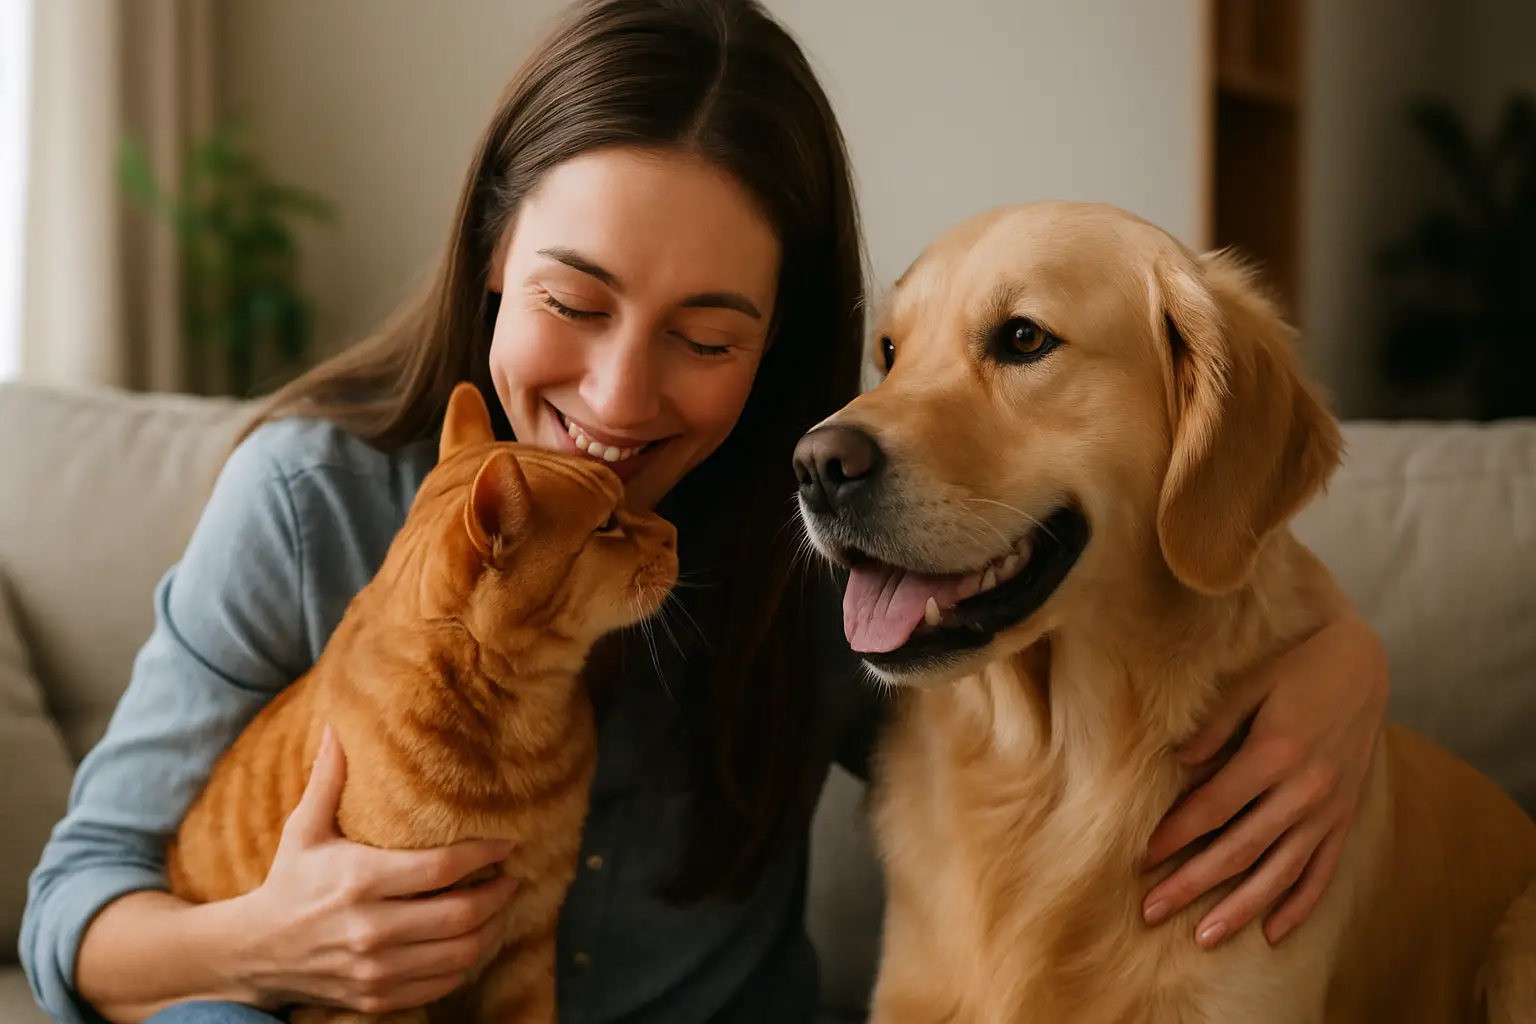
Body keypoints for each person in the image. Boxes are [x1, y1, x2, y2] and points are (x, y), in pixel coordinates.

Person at [19, 1, 1391, 1022]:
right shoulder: (315, 504)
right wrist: (269, 942)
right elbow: (75, 905)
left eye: (708, 333)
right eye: (574, 300)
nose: (618, 398)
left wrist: (1347, 665)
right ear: (497, 251)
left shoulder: (830, 538)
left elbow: (1129, 618)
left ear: (780, 337)